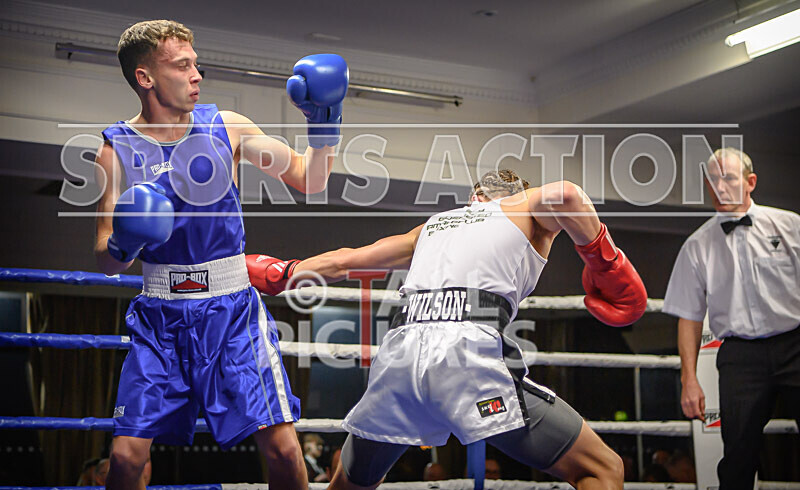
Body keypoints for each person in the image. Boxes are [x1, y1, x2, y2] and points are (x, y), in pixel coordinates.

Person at [248, 169, 648, 489]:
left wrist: (283, 273)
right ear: (513, 196)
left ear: (473, 197)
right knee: (604, 468)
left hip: (400, 359)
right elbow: (568, 195)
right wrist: (603, 263)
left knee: (348, 485)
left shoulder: (432, 227)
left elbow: (345, 261)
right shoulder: (521, 209)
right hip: (467, 358)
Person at [93, 20, 348, 490]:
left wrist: (324, 123)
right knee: (126, 457)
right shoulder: (115, 148)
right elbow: (105, 257)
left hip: (231, 310)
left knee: (284, 448)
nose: (197, 75)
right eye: (182, 65)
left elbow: (310, 181)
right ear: (145, 78)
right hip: (160, 314)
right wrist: (125, 242)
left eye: (195, 63)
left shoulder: (225, 126)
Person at [663, 148, 800, 489]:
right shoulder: (697, 246)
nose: (720, 187)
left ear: (750, 182)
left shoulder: (790, 226)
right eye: (713, 179)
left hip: (795, 344)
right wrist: (689, 379)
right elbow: (689, 316)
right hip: (741, 357)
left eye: (729, 178)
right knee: (738, 456)